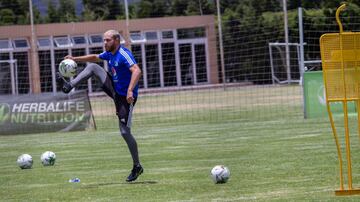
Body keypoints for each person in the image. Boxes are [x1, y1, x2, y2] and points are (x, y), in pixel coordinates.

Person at [57, 29, 143, 182]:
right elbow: (95, 57)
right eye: (103, 40)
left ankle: (137, 166)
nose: (105, 43)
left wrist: (130, 90)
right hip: (115, 89)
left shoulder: (124, 54)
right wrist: (75, 58)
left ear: (116, 40)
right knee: (92, 67)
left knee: (124, 132)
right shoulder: (109, 53)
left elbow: (137, 70)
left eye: (107, 40)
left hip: (126, 97)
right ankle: (69, 86)